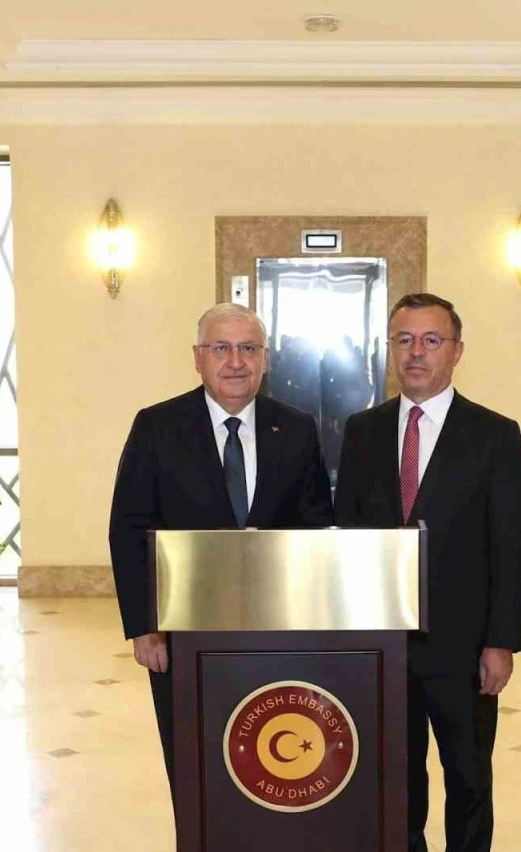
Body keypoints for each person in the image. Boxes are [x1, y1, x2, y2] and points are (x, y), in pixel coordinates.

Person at [108, 302, 334, 799]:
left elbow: (316, 527)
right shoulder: (157, 427)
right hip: (183, 628)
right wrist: (145, 627)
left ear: (265, 358)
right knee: (193, 759)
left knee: (270, 754)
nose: (236, 362)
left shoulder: (296, 427)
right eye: (221, 348)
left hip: (279, 628)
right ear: (198, 357)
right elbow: (129, 529)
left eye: (248, 348)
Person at [334, 292, 521, 852]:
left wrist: (500, 643)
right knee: (395, 780)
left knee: (468, 777)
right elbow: (346, 536)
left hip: (463, 647)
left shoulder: (494, 434)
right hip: (382, 642)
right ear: (390, 349)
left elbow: (510, 545)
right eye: (404, 340)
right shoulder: (362, 431)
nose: (416, 352)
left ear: (457, 350)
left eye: (431, 340)